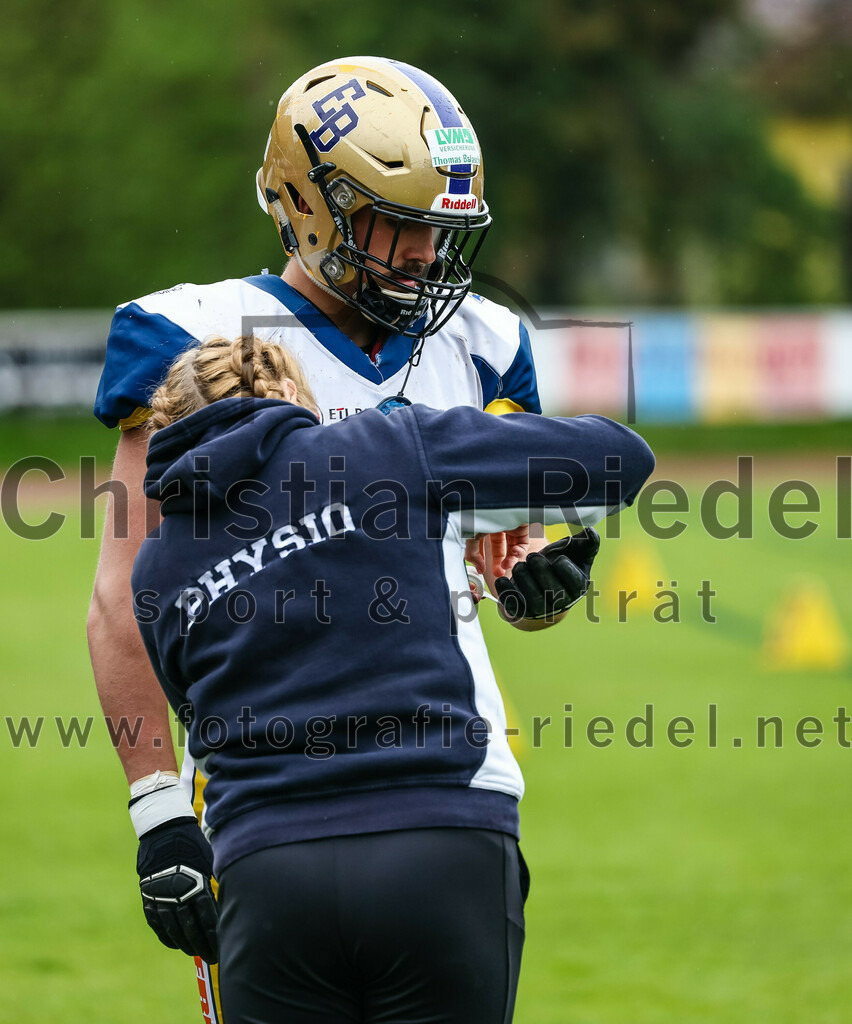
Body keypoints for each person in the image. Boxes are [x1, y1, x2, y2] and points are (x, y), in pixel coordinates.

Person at [89, 56, 583, 1018]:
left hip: (452, 785)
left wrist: (532, 584)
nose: (421, 256)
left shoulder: (486, 344)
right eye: (397, 224)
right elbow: (127, 593)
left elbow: (498, 563)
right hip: (261, 792)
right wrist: (155, 808)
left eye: (441, 232)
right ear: (308, 205)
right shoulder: (190, 336)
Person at [131, 333, 655, 1024]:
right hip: (439, 836)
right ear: (293, 397)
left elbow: (206, 717)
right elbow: (617, 460)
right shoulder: (384, 445)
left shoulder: (159, 566)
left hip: (267, 869)